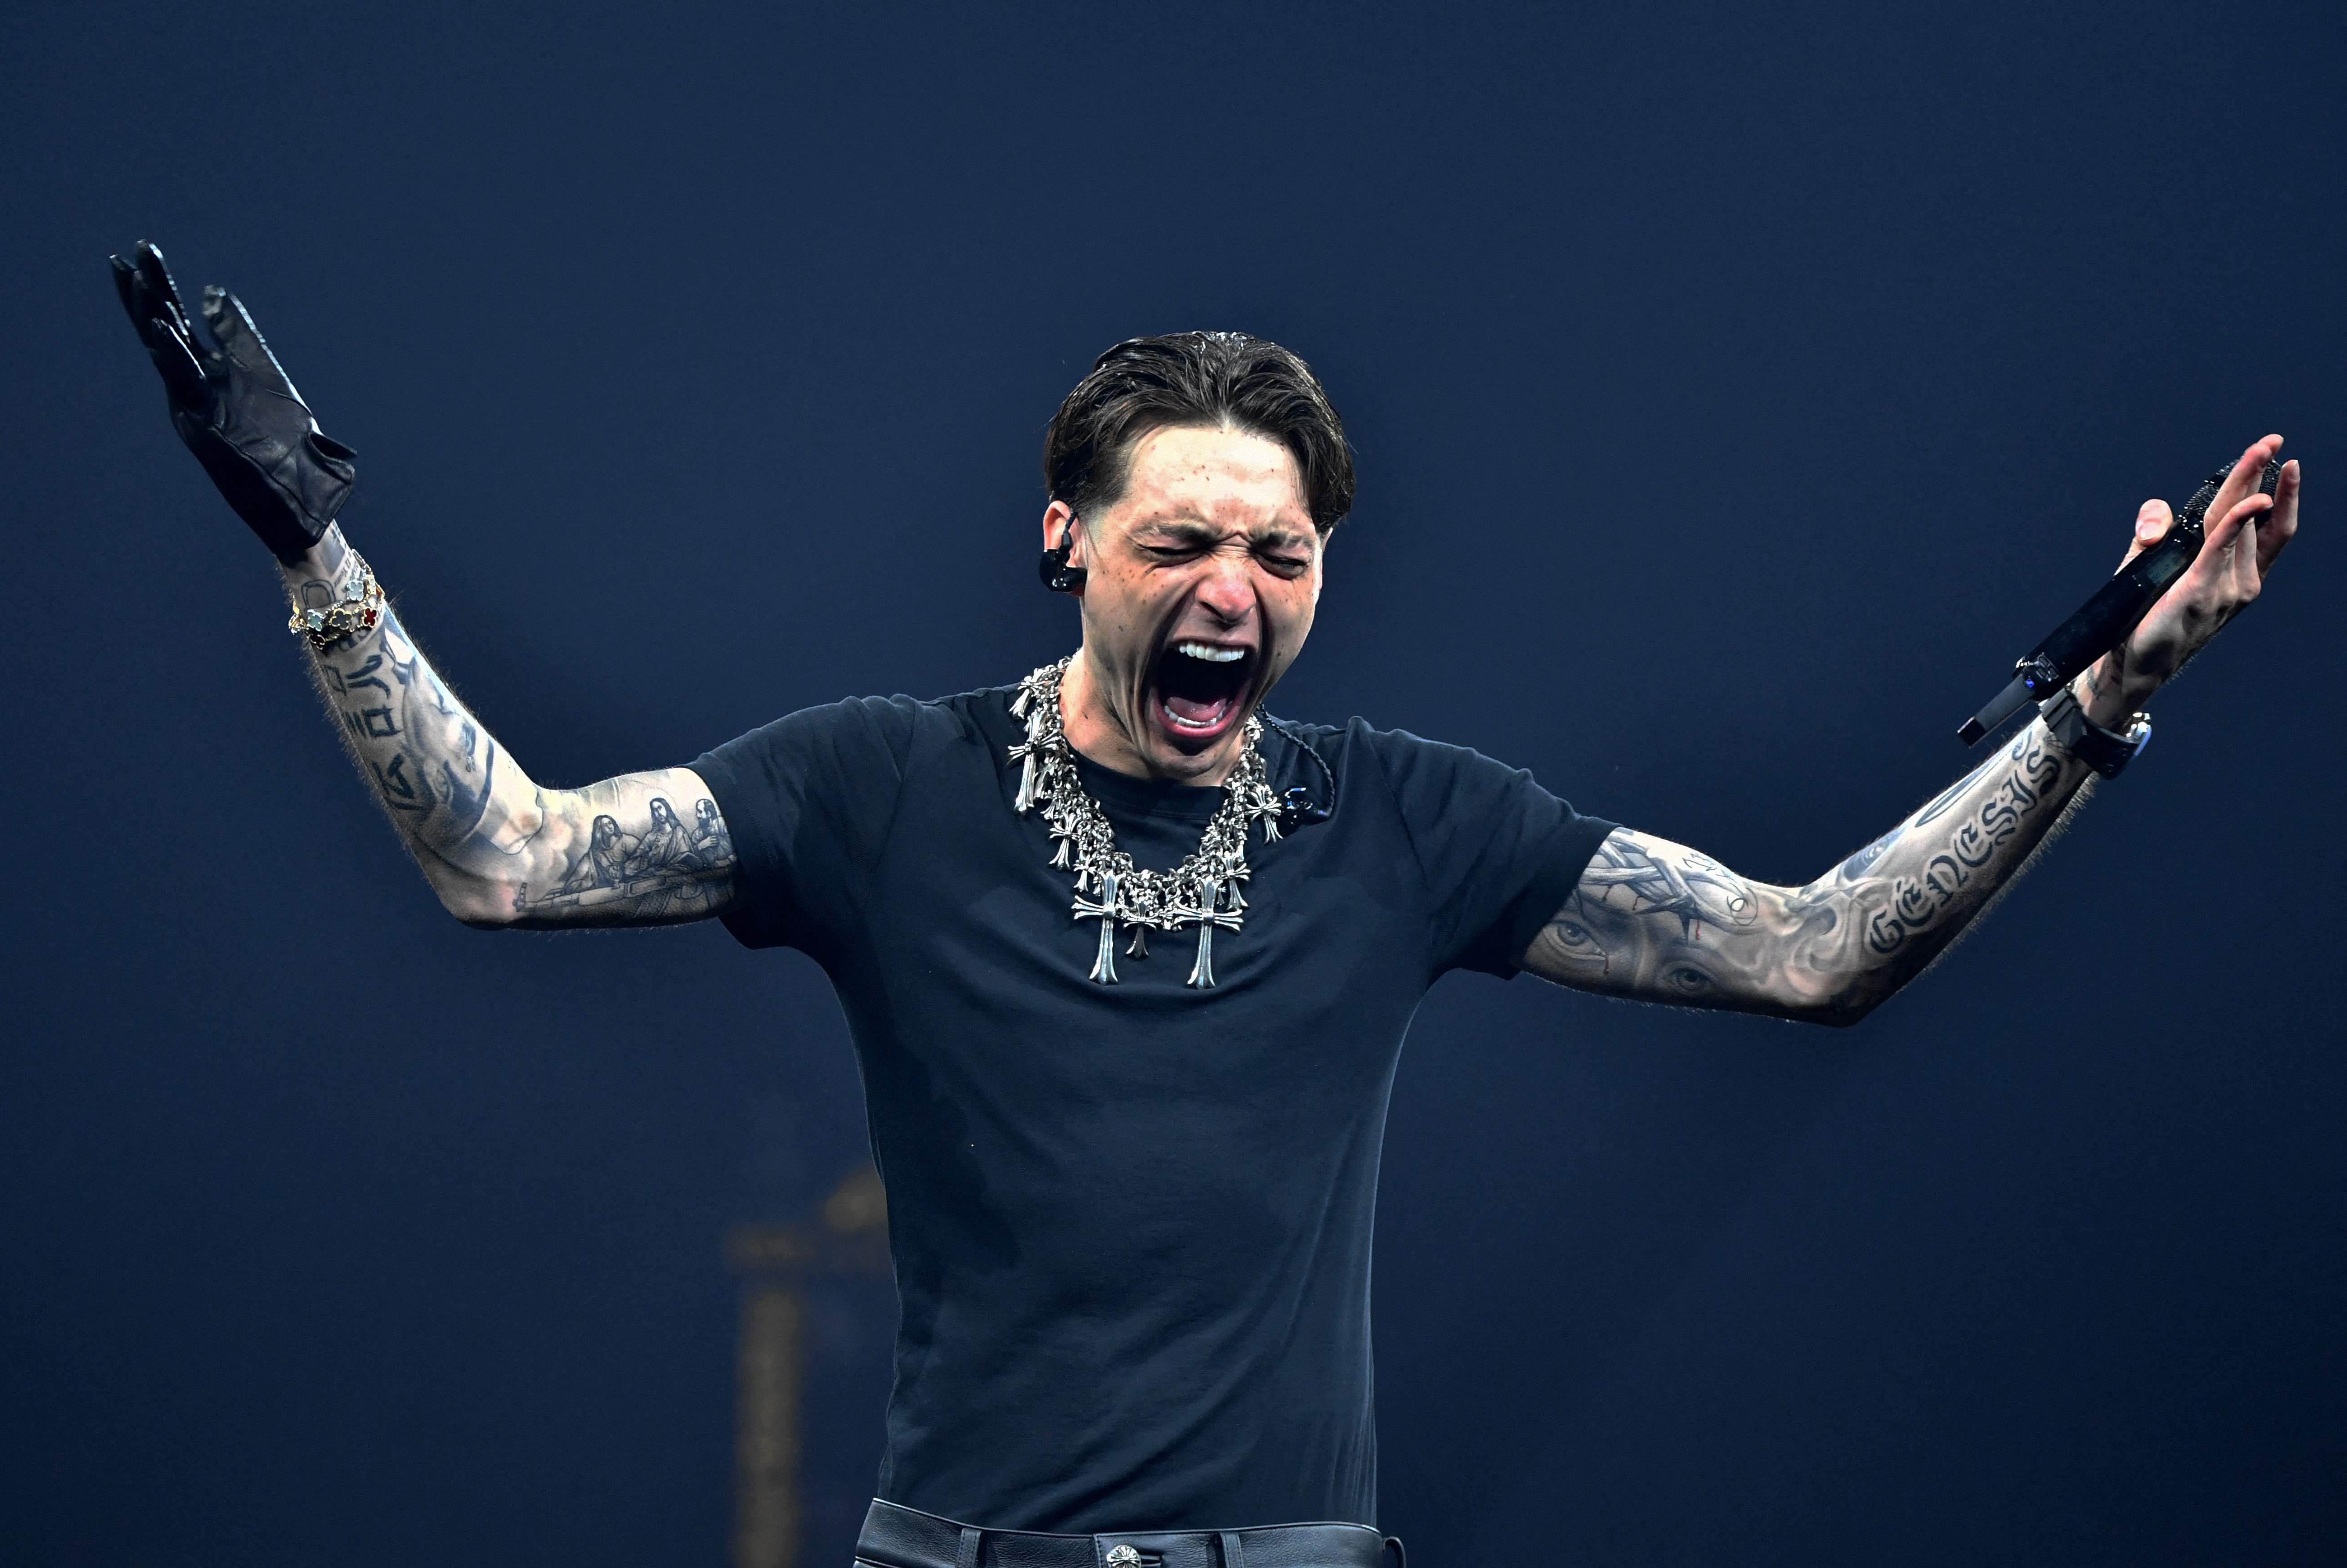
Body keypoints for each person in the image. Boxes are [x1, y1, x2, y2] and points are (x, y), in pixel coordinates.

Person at [112, 241, 2302, 1568]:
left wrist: (2101, 702)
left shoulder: (1411, 819)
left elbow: (1815, 948)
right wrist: (320, 556)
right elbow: (507, 853)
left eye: (1285, 554)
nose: (1236, 592)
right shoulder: (884, 781)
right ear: (1065, 539)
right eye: (1182, 545)